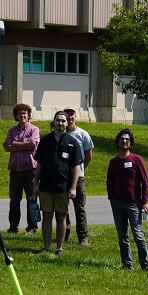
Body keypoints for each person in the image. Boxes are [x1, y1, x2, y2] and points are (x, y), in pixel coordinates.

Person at [33, 113, 83, 254]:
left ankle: (59, 248)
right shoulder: (45, 141)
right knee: (47, 216)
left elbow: (76, 167)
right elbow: (39, 164)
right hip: (46, 186)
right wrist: (36, 184)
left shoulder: (72, 142)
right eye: (58, 120)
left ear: (67, 123)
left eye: (63, 121)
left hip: (63, 187)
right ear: (53, 122)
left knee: (61, 217)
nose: (60, 123)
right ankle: (46, 247)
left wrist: (73, 187)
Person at [105, 128, 148, 270]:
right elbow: (109, 181)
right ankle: (127, 264)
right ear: (117, 143)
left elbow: (145, 181)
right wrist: (112, 197)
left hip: (134, 203)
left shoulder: (137, 159)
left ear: (130, 143)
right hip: (117, 203)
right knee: (122, 236)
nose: (124, 141)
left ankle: (145, 264)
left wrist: (144, 201)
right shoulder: (113, 162)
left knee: (138, 234)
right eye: (121, 139)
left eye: (127, 139)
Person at [3, 103, 40, 234]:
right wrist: (21, 145)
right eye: (20, 114)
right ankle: (13, 226)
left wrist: (15, 143)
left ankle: (33, 227)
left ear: (28, 115)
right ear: (16, 116)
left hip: (31, 170)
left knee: (33, 199)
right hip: (15, 171)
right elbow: (6, 146)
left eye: (24, 113)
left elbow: (32, 145)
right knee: (14, 201)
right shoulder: (11, 131)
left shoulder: (34, 129)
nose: (22, 116)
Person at [61, 108, 94, 246]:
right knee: (63, 208)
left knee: (79, 208)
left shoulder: (83, 134)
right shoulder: (60, 134)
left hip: (78, 177)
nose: (69, 118)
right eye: (66, 116)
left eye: (71, 115)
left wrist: (79, 170)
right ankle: (65, 234)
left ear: (75, 117)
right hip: (62, 176)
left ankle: (83, 237)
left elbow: (88, 156)